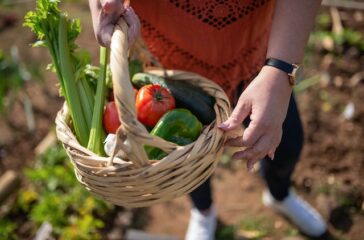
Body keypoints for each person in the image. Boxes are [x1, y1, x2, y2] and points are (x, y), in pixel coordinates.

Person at [89, 0, 327, 239]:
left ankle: (279, 194)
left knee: (288, 145)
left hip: (258, 54)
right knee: (188, 158)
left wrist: (280, 71)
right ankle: (203, 212)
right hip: (169, 62)